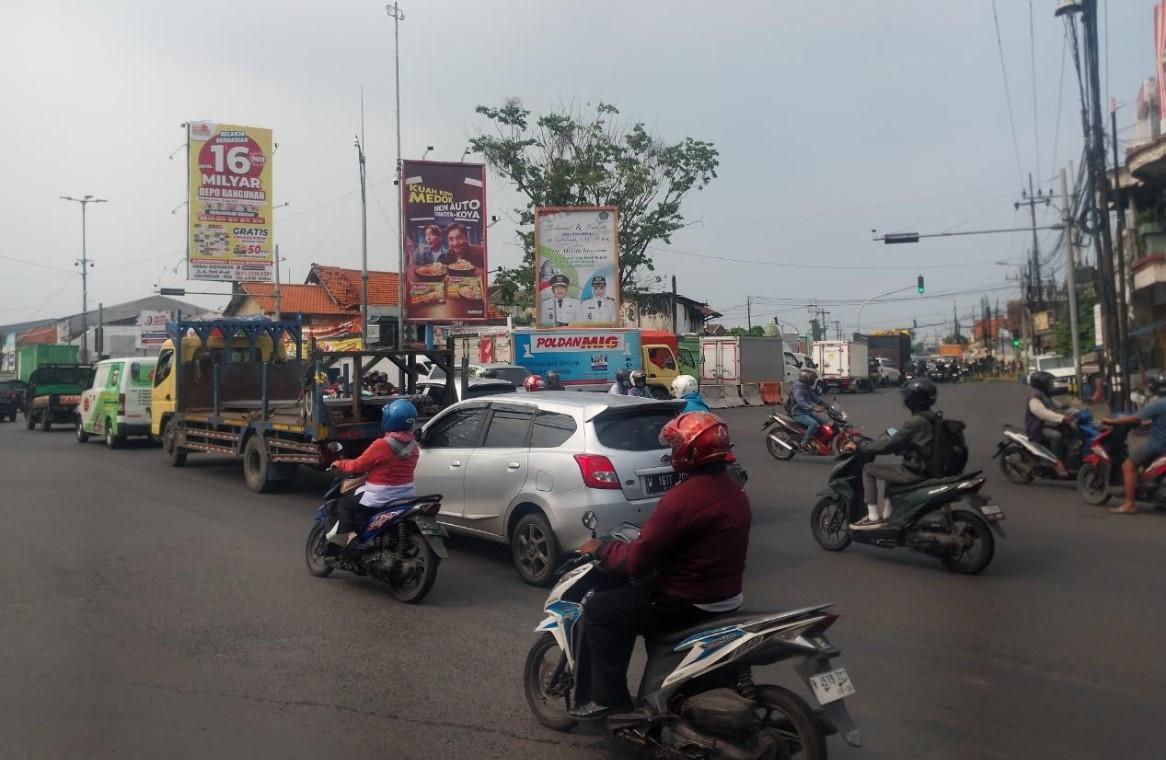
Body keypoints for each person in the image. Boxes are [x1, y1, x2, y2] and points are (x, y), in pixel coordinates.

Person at [571, 412, 750, 719]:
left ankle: (610, 701)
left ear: (687, 451)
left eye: (674, 446)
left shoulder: (682, 500)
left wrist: (603, 549)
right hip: (726, 596)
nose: (670, 452)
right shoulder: (735, 492)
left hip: (685, 601)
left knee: (601, 610)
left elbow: (637, 561)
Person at [327, 399, 420, 546]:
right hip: (406, 495)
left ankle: (353, 539)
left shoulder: (381, 445)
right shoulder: (414, 446)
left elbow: (357, 466)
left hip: (380, 496)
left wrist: (339, 463)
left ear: (389, 419)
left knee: (345, 504)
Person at [850, 378, 937, 530]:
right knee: (890, 474)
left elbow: (889, 444)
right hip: (931, 467)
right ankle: (888, 514)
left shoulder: (915, 422)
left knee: (868, 469)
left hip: (918, 470)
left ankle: (872, 517)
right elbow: (919, 443)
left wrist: (862, 446)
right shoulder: (933, 418)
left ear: (913, 399)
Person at [1101, 369, 1166, 515]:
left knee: (1128, 465)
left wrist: (1111, 420)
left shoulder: (1157, 404)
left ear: (1152, 386)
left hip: (1158, 443)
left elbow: (1134, 419)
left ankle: (1129, 504)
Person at [1026, 370, 1076, 478]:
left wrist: (1072, 410)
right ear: (1041, 384)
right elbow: (1042, 412)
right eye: (1048, 383)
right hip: (1038, 427)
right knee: (1056, 436)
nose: (1050, 385)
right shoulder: (1034, 396)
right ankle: (1057, 462)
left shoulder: (1044, 394)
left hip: (1048, 423)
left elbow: (1055, 405)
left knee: (1073, 430)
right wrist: (1062, 418)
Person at [790, 368, 828, 449]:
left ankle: (817, 439)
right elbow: (801, 402)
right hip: (799, 413)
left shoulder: (806, 387)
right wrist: (814, 408)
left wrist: (825, 404)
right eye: (812, 379)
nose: (813, 381)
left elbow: (815, 397)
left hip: (807, 412)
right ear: (805, 378)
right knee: (813, 424)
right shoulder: (798, 388)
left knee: (823, 422)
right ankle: (804, 442)